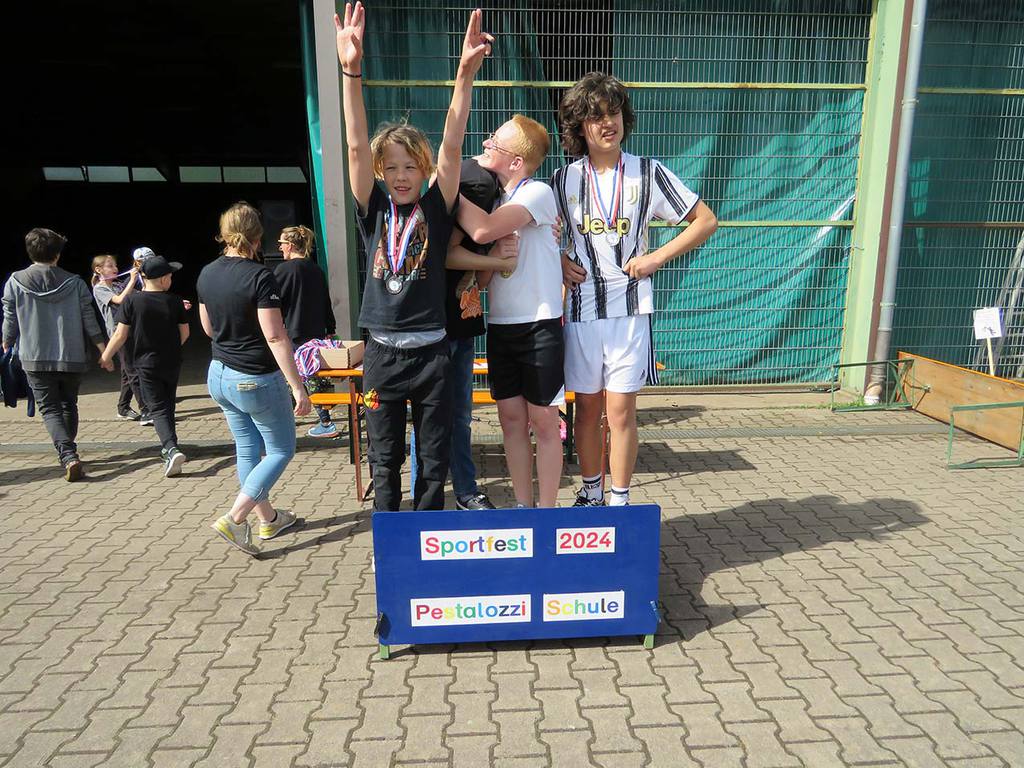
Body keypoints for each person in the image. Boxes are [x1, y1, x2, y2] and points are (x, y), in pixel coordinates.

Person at [335, 1, 491, 511]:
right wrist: (351, 71)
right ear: (380, 171)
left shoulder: (438, 206)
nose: (401, 175)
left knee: (434, 457)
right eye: (392, 167)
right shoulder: (373, 206)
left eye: (410, 166)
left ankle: (426, 536)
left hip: (432, 355)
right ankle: (390, 541)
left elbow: (453, 145)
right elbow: (355, 146)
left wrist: (464, 76)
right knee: (384, 459)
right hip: (381, 354)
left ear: (424, 170)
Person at [553, 72, 718, 506]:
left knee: (621, 411)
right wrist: (558, 261)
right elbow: (537, 236)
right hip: (583, 311)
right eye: (596, 116)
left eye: (614, 113)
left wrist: (656, 257)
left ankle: (620, 500)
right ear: (579, 126)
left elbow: (705, 220)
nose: (608, 123)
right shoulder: (561, 179)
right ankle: (591, 494)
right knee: (587, 409)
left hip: (629, 311)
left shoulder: (648, 171)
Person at [456, 115, 565, 508]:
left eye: (495, 142)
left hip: (540, 326)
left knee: (544, 422)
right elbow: (486, 280)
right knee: (511, 422)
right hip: (501, 327)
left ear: (517, 162)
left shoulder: (537, 192)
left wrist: (444, 184)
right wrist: (493, 258)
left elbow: (482, 230)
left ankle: (547, 512)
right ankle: (523, 506)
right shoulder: (492, 200)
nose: (485, 144)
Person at [198, 202, 312, 555]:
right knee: (280, 450)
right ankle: (235, 518)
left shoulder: (206, 273)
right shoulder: (261, 276)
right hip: (255, 378)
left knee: (248, 448)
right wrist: (298, 386)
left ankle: (269, 519)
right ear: (257, 236)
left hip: (219, 374)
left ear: (223, 233)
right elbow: (275, 336)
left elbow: (208, 328)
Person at [408, 156, 518, 511]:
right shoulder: (475, 184)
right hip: (433, 327)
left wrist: (494, 254)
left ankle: (461, 491)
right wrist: (496, 259)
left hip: (462, 324)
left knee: (457, 417)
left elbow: (479, 282)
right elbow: (444, 254)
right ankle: (428, 495)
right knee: (430, 417)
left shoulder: (494, 201)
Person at [2, 228, 114, 480]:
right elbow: (89, 318)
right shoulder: (75, 282)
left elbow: (10, 317)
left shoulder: (15, 281)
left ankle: (68, 455)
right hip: (72, 355)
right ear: (57, 255)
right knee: (68, 404)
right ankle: (68, 452)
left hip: (34, 356)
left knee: (50, 409)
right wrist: (102, 348)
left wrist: (6, 341)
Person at [100, 255, 190, 477]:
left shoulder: (132, 301)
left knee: (156, 408)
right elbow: (185, 332)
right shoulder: (175, 300)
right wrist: (171, 347)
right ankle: (170, 447)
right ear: (163, 279)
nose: (171, 280)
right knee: (167, 404)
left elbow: (120, 334)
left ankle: (171, 448)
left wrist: (106, 355)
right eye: (170, 276)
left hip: (145, 363)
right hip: (172, 362)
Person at [273, 225, 339, 438]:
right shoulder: (315, 269)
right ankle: (322, 420)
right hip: (316, 331)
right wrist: (330, 328)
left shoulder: (283, 270)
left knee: (293, 375)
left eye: (282, 243)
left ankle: (324, 423)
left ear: (291, 245)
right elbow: (326, 301)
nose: (280, 247)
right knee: (312, 374)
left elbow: (274, 303)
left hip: (293, 331)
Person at [91, 253, 150, 423]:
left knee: (127, 372)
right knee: (133, 371)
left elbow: (139, 295)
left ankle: (123, 408)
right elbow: (119, 300)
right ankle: (146, 411)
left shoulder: (117, 284)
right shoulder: (100, 288)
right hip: (118, 333)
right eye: (110, 266)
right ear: (99, 270)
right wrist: (132, 280)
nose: (115, 268)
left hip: (130, 330)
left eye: (115, 265)